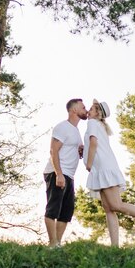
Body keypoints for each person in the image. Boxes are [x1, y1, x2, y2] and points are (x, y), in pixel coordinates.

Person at [83, 99, 135, 246]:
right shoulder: (99, 125)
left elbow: (94, 143)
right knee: (109, 209)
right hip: (103, 168)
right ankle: (115, 247)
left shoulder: (92, 123)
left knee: (116, 205)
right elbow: (93, 145)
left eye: (91, 109)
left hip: (104, 168)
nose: (88, 111)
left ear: (97, 113)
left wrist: (88, 164)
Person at [43, 98, 88, 247]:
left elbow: (70, 150)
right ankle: (52, 243)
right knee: (53, 209)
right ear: (73, 110)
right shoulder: (62, 127)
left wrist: (80, 151)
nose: (85, 110)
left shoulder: (76, 131)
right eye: (83, 107)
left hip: (69, 175)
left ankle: (57, 244)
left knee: (66, 211)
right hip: (57, 172)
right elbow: (53, 150)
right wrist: (59, 174)